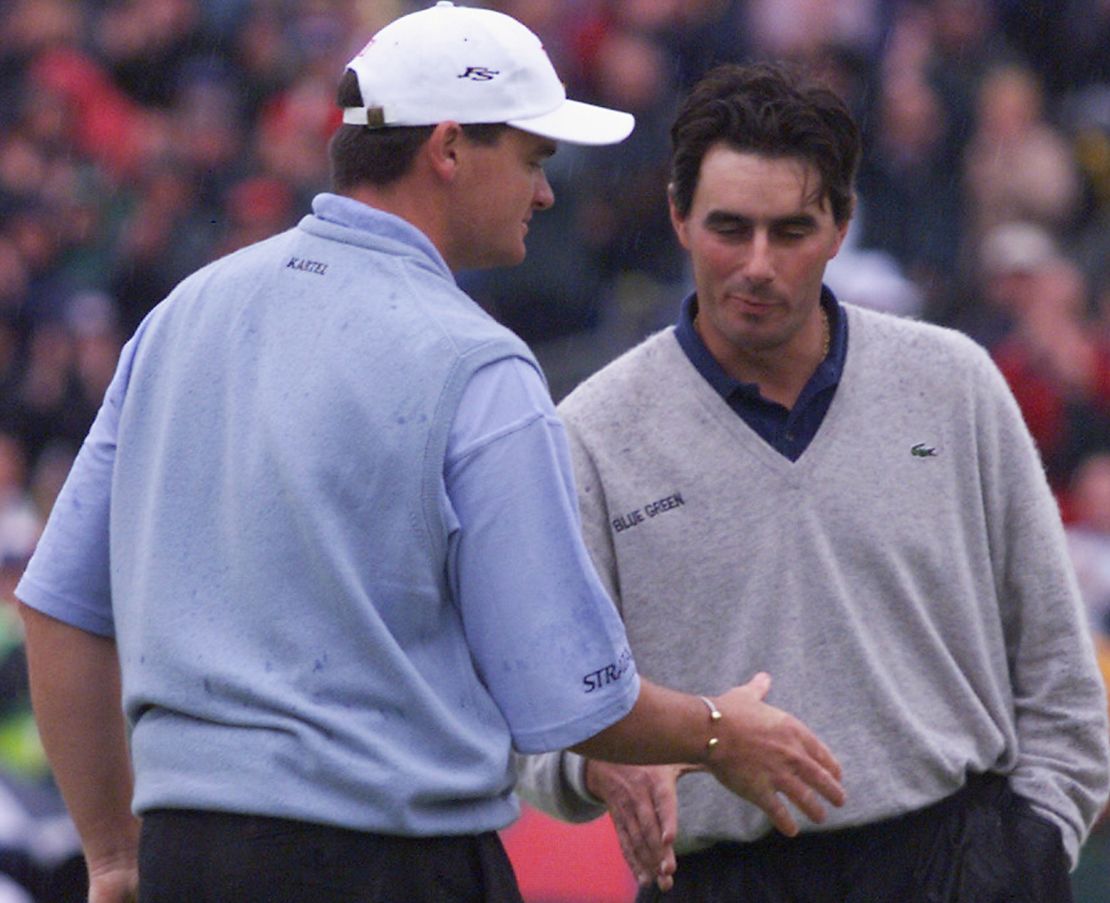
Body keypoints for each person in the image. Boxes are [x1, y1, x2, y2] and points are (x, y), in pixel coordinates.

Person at [11, 7, 848, 903]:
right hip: (390, 865)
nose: (545, 194)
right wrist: (723, 730)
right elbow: (567, 693)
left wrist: (112, 857)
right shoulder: (474, 361)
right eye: (533, 160)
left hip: (188, 859)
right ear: (449, 149)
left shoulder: (180, 317)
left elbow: (60, 608)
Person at [516, 62, 1110, 902]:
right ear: (679, 217)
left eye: (790, 230)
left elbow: (1059, 670)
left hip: (959, 859)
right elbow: (531, 719)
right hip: (724, 875)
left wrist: (1035, 846)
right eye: (730, 228)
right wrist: (594, 764)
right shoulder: (592, 434)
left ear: (841, 226)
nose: (757, 264)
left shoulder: (954, 385)